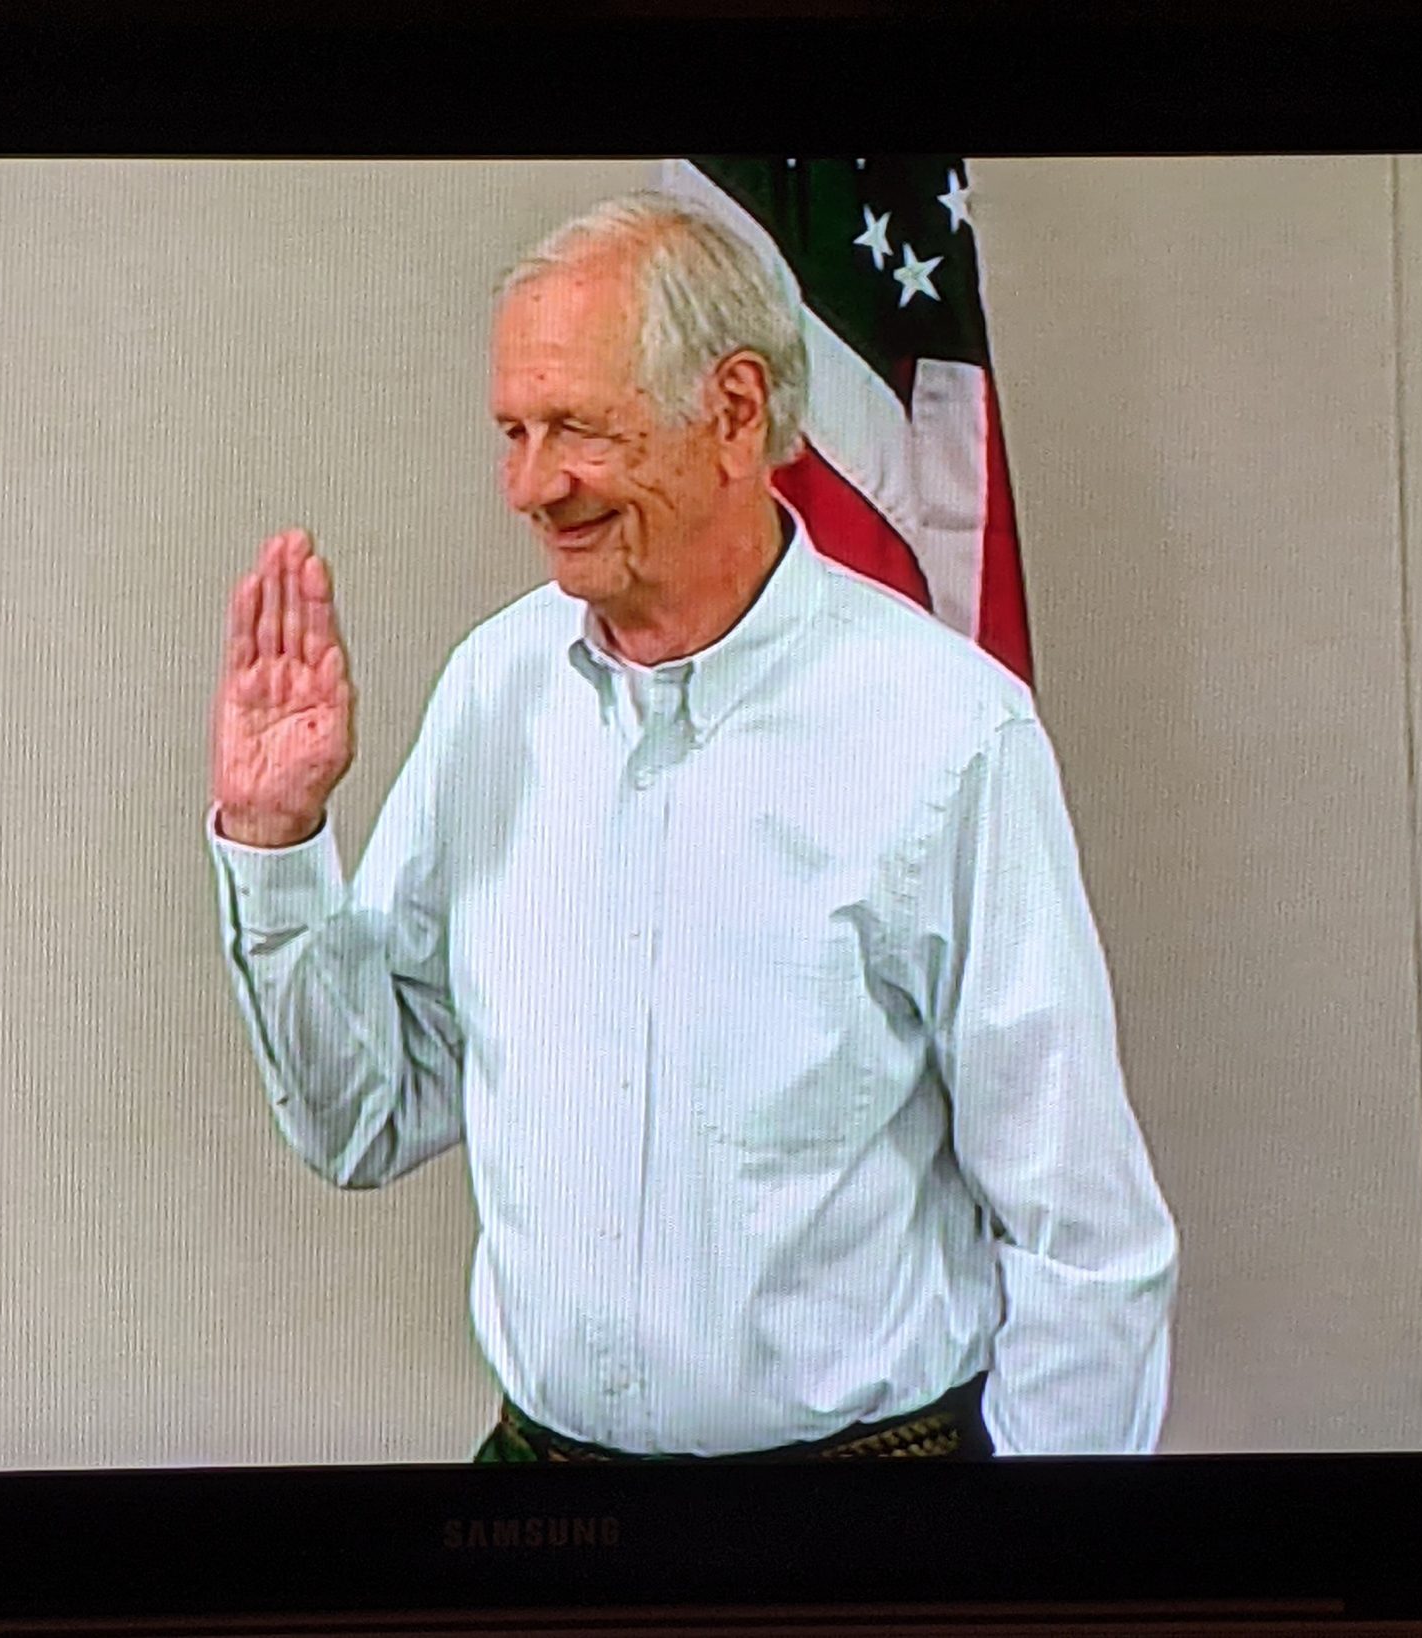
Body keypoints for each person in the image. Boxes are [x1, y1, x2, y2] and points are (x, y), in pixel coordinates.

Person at [206, 192, 1177, 1461]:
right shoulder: (492, 692)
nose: (529, 487)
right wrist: (277, 845)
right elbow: (365, 1118)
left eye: (576, 431)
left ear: (730, 414)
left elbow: (1080, 1238)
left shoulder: (947, 735)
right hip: (541, 1483)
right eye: (511, 432)